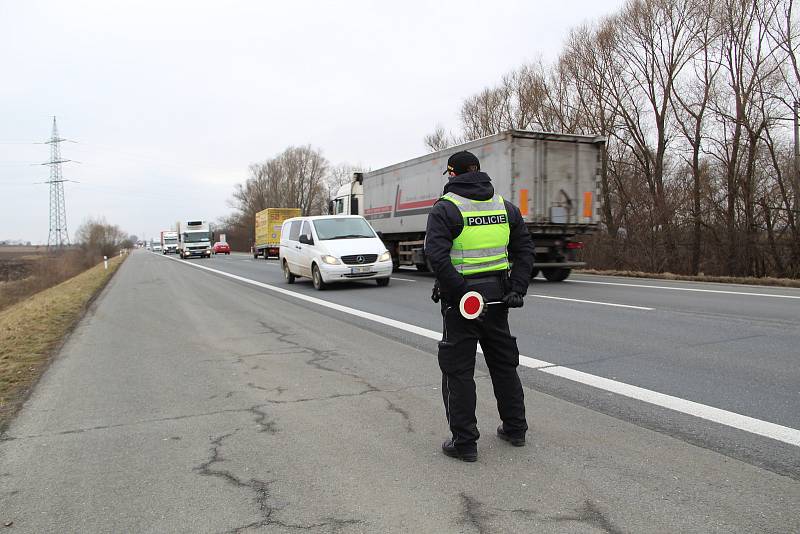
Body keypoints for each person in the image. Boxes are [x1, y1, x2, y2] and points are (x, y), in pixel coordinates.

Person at [425, 150, 534, 462]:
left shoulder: (446, 209)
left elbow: (437, 257)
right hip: (499, 297)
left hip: (464, 303)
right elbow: (525, 248)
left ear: (453, 174)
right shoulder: (504, 206)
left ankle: (465, 443)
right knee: (503, 365)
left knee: (458, 370)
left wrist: (460, 294)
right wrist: (517, 288)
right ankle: (515, 429)